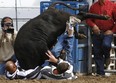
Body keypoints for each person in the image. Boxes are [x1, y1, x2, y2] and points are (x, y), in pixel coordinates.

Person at [86, 0, 116, 76]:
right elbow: (88, 19)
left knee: (106, 45)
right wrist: (93, 26)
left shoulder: (112, 5)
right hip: (97, 32)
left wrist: (112, 31)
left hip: (107, 32)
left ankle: (107, 56)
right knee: (97, 52)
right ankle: (100, 73)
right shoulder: (93, 6)